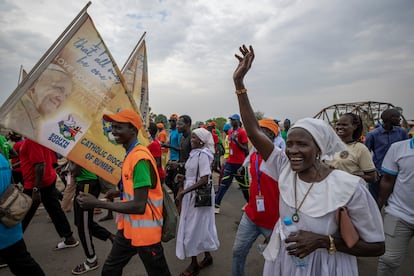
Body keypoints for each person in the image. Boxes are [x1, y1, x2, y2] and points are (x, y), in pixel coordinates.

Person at [232, 45, 385, 275]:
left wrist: (324, 242)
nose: (292, 150)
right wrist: (239, 84)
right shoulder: (284, 168)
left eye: (302, 144)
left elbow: (376, 247)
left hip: (326, 266)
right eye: (290, 143)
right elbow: (254, 131)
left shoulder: (348, 187)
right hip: (284, 263)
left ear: (319, 149)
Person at [77, 109, 171, 276]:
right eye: (113, 127)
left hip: (146, 234)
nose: (113, 132)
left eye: (119, 128)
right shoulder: (131, 154)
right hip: (128, 229)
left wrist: (96, 203)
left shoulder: (140, 158)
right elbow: (137, 189)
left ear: (133, 130)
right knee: (110, 270)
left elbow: (139, 206)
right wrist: (118, 192)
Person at [232, 118, 280, 276]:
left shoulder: (280, 158)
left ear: (272, 136)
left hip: (274, 221)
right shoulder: (254, 155)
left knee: (277, 260)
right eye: (256, 132)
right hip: (251, 215)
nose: (256, 137)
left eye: (262, 132)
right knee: (238, 252)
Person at [175, 128, 220, 276]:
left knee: (191, 228)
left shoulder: (203, 155)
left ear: (202, 141)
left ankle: (194, 265)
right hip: (192, 194)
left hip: (197, 197)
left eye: (194, 138)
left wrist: (183, 192)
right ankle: (207, 257)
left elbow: (204, 179)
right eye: (192, 137)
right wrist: (183, 178)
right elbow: (194, 175)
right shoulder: (194, 154)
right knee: (198, 226)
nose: (191, 140)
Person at [19, 139, 79, 249]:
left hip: (35, 183)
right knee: (54, 209)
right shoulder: (39, 138)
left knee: (21, 214)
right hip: (46, 180)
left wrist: (36, 189)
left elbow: (40, 165)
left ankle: (11, 247)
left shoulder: (31, 140)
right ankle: (69, 238)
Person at [0, 152, 45, 276]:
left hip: (5, 229)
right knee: (24, 266)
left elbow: (40, 164)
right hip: (11, 224)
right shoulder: (2, 159)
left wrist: (36, 189)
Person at [1, 63, 73, 140]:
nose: (61, 99)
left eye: (66, 96)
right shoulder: (16, 115)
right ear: (34, 83)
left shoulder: (37, 121)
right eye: (59, 88)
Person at [376, 137, 414, 275]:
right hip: (399, 213)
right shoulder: (398, 148)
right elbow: (387, 180)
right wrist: (377, 209)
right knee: (388, 261)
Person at [70, 162, 115, 275]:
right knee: (81, 222)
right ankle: (112, 237)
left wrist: (70, 167)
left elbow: (76, 171)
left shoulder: (76, 148)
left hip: (87, 185)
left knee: (83, 226)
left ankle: (91, 260)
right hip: (85, 184)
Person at [365, 108, 409, 200]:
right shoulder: (373, 134)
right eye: (397, 117)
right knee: (375, 199)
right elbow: (365, 152)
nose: (399, 120)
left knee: (393, 198)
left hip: (396, 171)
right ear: (390, 118)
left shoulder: (402, 132)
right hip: (378, 172)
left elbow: (407, 149)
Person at [325, 113, 377, 184]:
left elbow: (372, 177)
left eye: (344, 125)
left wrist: (347, 176)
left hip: (349, 191)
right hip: (329, 190)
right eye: (338, 124)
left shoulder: (360, 148)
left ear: (354, 126)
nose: (339, 127)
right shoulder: (329, 146)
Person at [214, 114, 249, 214]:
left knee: (245, 187)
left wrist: (236, 141)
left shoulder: (242, 132)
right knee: (223, 185)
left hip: (239, 164)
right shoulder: (230, 131)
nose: (231, 122)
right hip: (230, 163)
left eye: (233, 120)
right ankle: (216, 205)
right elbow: (229, 147)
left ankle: (250, 204)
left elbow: (246, 149)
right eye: (230, 120)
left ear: (238, 121)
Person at [166, 115, 193, 199]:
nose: (177, 126)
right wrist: (175, 162)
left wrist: (179, 165)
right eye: (177, 124)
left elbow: (193, 160)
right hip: (182, 173)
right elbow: (183, 155)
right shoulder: (182, 139)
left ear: (188, 124)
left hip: (190, 176)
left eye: (180, 124)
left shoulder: (192, 139)